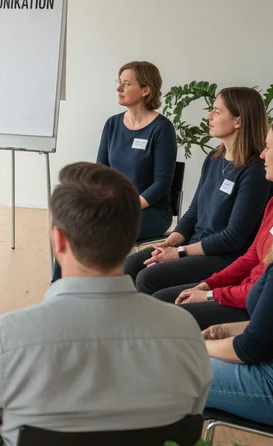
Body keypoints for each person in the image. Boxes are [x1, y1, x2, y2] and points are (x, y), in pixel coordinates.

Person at [0, 163, 211, 446]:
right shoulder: (186, 332)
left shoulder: (7, 339)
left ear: (59, 240)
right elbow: (185, 433)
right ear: (132, 237)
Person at [124, 87, 273, 295]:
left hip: (223, 256)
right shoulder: (213, 158)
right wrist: (171, 241)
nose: (208, 116)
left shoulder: (256, 170)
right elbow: (195, 210)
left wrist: (180, 252)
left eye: (217, 111)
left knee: (148, 278)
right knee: (131, 265)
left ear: (238, 121)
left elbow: (233, 237)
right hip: (195, 244)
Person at [152, 118, 273, 329]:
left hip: (255, 305)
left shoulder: (253, 174)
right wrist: (209, 284)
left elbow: (262, 289)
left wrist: (210, 294)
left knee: (165, 313)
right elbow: (252, 257)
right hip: (244, 290)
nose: (262, 154)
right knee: (161, 298)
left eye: (268, 147)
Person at [52, 60, 177, 282]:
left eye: (126, 84)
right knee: (72, 226)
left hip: (152, 212)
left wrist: (125, 207)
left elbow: (162, 184)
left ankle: (94, 293)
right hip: (114, 207)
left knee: (98, 232)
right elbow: (100, 172)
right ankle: (59, 291)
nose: (119, 88)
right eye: (119, 82)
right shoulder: (112, 124)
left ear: (146, 90)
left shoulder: (161, 128)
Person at [203, 130, 273, 426]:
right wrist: (227, 328)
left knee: (170, 366)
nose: (262, 155)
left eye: (267, 148)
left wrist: (197, 346)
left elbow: (251, 348)